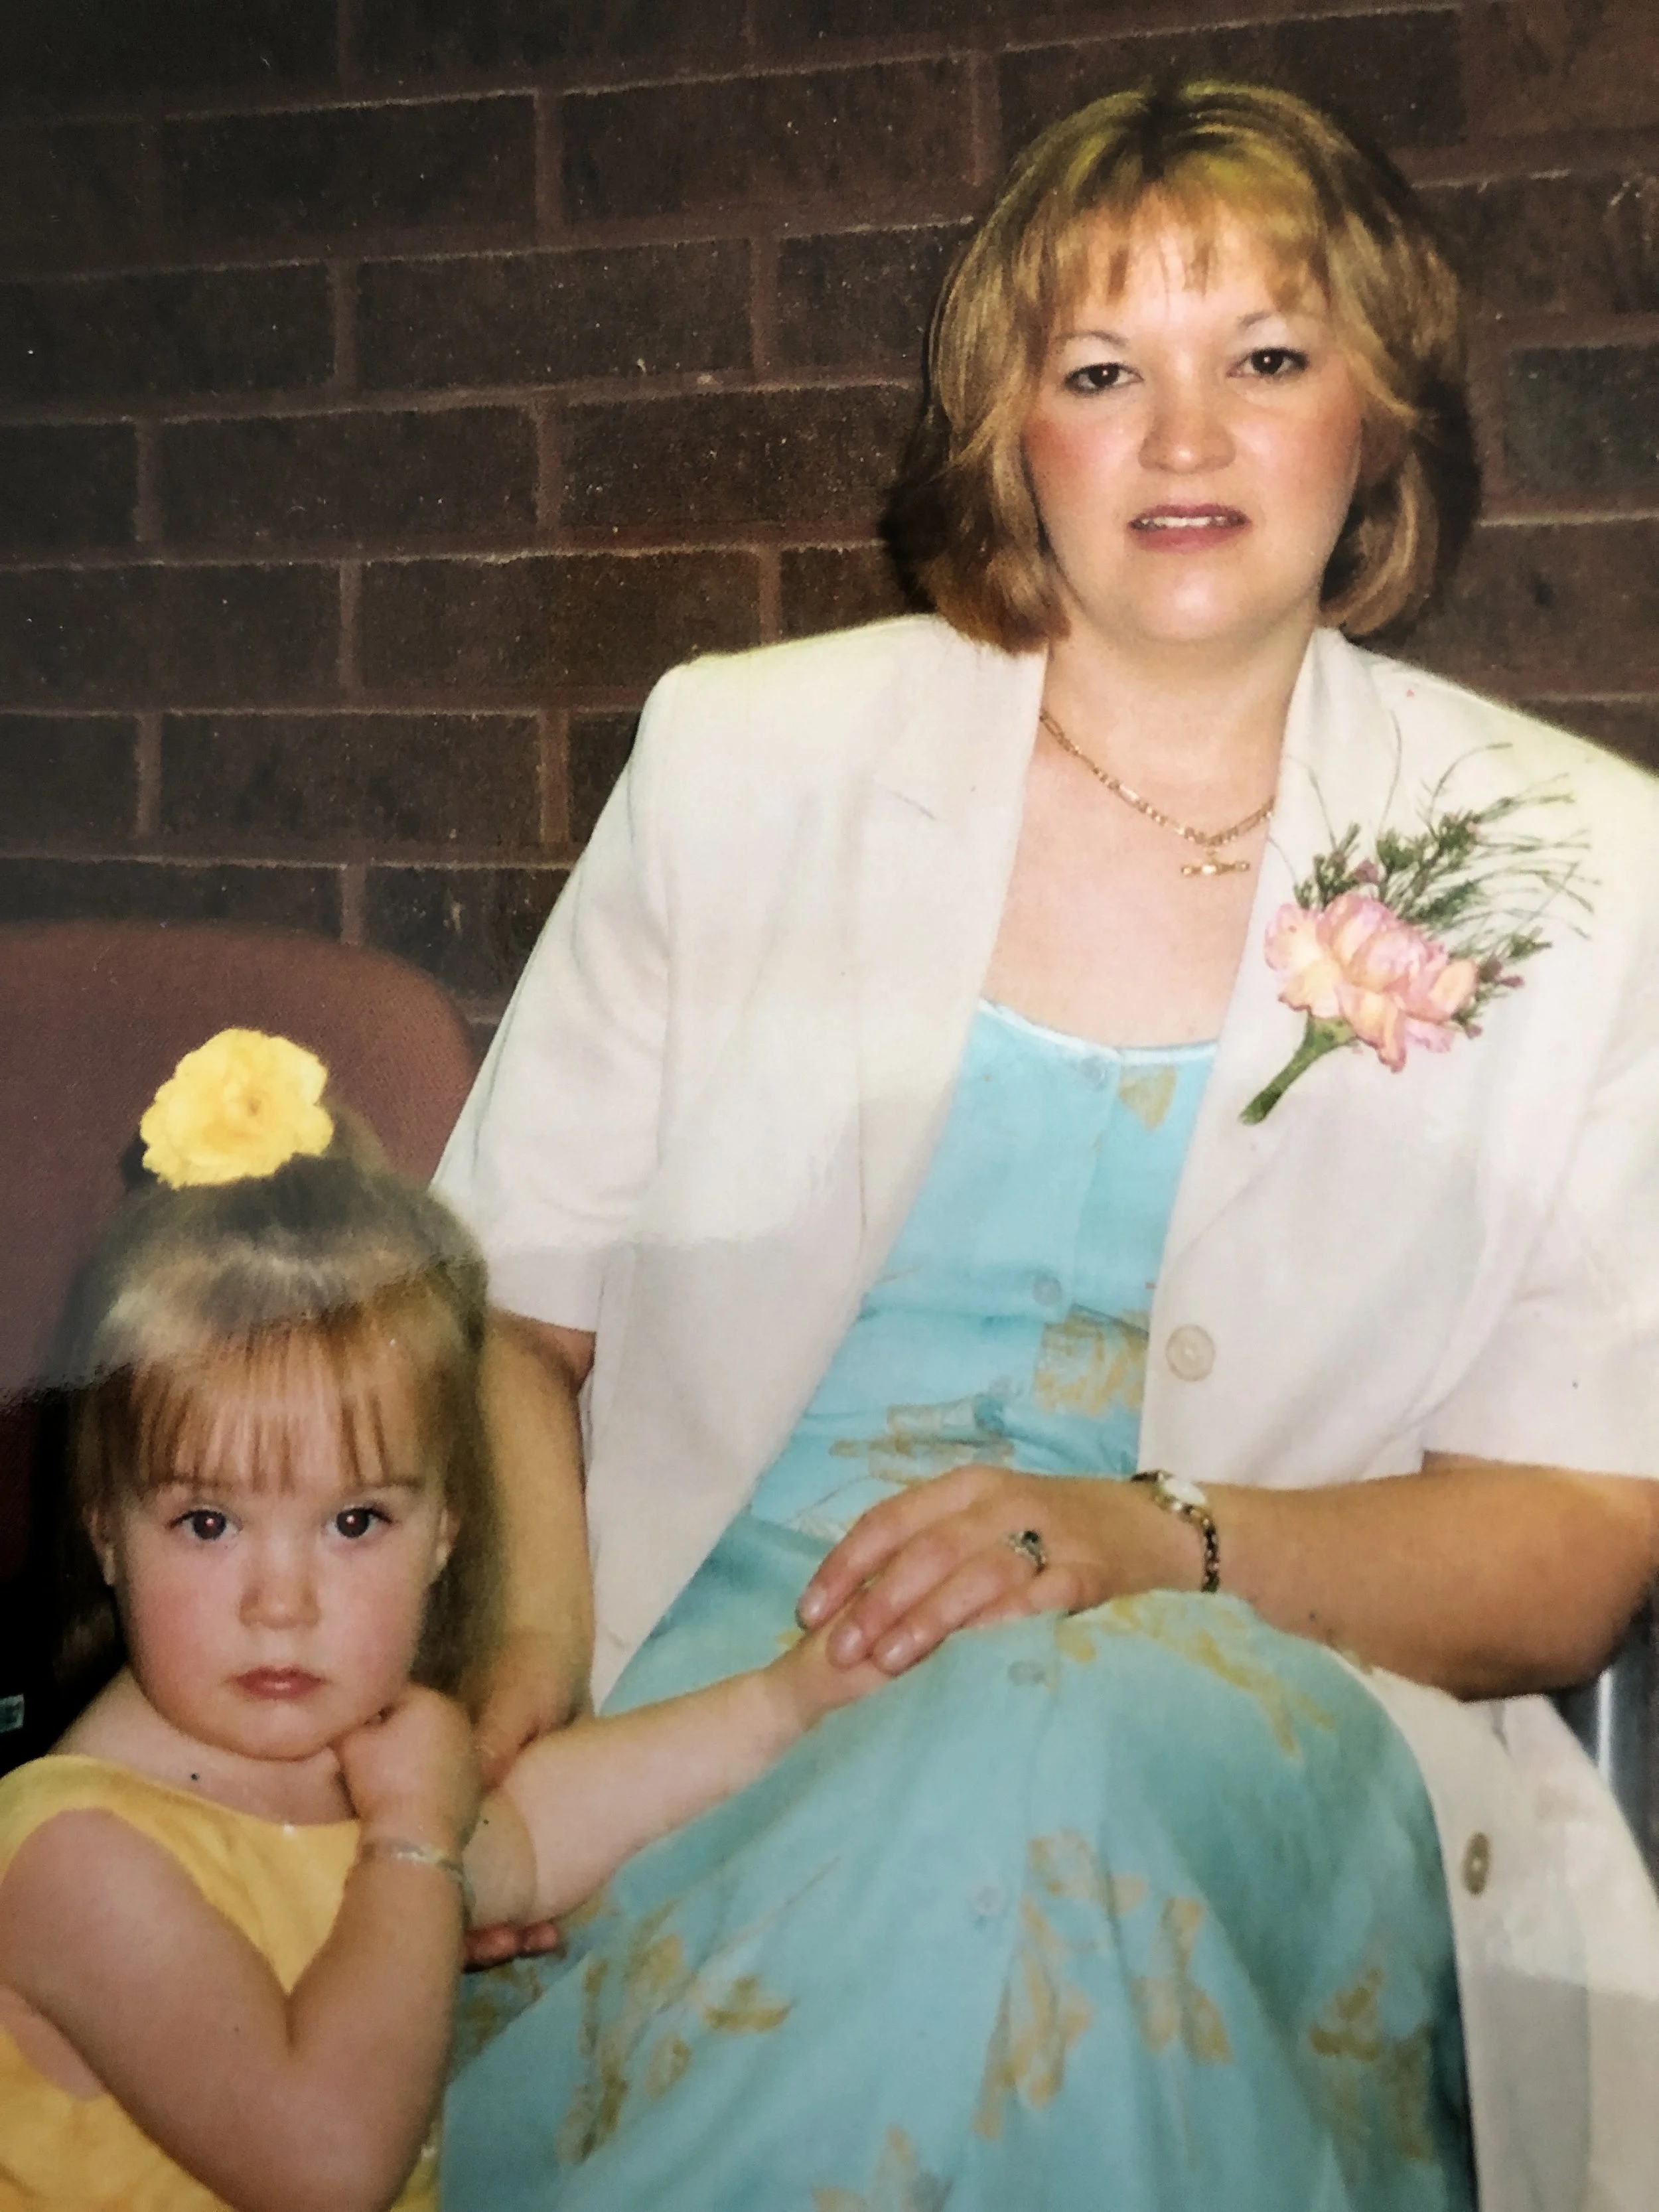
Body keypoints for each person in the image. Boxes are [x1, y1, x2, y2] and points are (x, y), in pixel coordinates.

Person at [434, 80, 1659, 2211]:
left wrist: (1135, 1538)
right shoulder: (746, 758)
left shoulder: (1583, 867)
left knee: (1044, 1764)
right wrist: (523, 1702)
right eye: (1103, 373)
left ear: (1375, 418)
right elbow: (502, 1317)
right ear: (1017, 438)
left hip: (1238, 1711)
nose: (1184, 440)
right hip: (713, 1703)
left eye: (1262, 360)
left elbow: (1571, 1531)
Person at [0, 1029, 884, 2212]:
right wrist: (413, 1843)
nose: (282, 1602)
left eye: (354, 1523)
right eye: (209, 1524)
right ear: (106, 1528)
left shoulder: (361, 1761)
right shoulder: (73, 1852)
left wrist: (794, 1698)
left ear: (446, 1534)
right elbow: (323, 2163)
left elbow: (528, 1829)